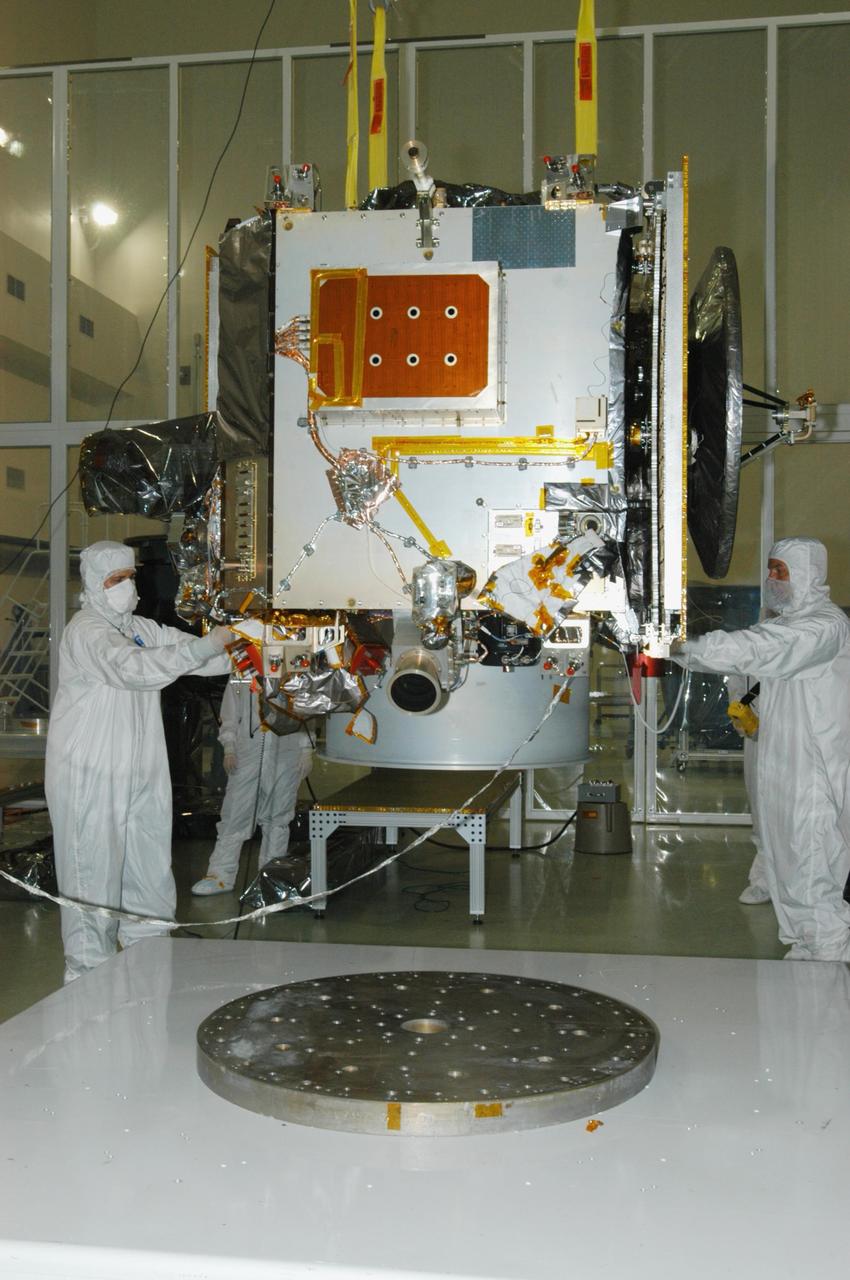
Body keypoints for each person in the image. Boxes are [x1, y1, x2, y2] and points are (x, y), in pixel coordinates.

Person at [46, 540, 234, 983]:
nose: (126, 586)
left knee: (149, 872)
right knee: (92, 880)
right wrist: (207, 647)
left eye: (130, 576)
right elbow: (133, 669)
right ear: (94, 584)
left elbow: (202, 659)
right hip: (89, 774)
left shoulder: (141, 627)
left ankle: (148, 974)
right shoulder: (86, 630)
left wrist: (253, 648)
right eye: (115, 579)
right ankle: (86, 985)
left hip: (140, 773)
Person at [674, 538, 850, 960]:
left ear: (808, 573)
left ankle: (829, 956)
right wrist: (683, 653)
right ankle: (805, 950)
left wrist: (683, 646)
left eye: (781, 570)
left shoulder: (822, 626)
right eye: (770, 569)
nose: (771, 579)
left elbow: (759, 647)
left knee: (810, 870)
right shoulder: (789, 622)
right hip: (782, 770)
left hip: (812, 776)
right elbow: (745, 661)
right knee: (786, 867)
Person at [192, 679, 314, 895]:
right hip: (247, 752)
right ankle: (220, 875)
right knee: (235, 813)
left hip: (286, 752)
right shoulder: (243, 669)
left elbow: (306, 709)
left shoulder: (296, 668)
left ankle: (271, 877)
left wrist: (306, 747)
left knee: (278, 816)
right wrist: (229, 746)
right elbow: (230, 712)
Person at [726, 675, 769, 904]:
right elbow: (737, 672)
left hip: (801, 730)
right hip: (758, 730)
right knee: (760, 806)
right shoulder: (754, 640)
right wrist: (739, 706)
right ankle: (764, 880)